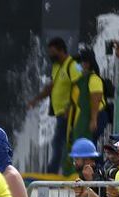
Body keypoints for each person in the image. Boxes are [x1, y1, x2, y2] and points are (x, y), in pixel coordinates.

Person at [28, 38, 82, 174]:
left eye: (53, 52)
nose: (50, 55)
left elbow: (80, 87)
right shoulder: (57, 67)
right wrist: (36, 100)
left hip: (70, 114)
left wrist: (70, 107)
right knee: (60, 142)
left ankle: (56, 171)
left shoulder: (74, 66)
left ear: (61, 50)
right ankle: (59, 170)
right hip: (60, 113)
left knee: (60, 142)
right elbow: (51, 87)